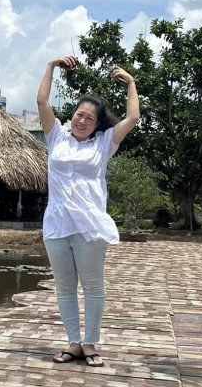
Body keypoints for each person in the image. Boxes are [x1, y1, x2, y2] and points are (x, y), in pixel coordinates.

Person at [37, 55, 140, 366]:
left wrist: (131, 83)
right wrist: (52, 66)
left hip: (90, 227)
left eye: (89, 118)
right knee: (65, 287)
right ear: (72, 116)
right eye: (79, 115)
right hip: (56, 225)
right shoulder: (56, 137)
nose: (82, 121)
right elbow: (42, 100)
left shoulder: (104, 142)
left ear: (98, 124)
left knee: (93, 287)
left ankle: (91, 343)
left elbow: (132, 118)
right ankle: (73, 342)